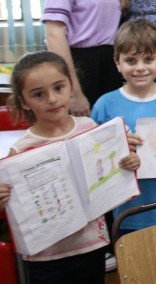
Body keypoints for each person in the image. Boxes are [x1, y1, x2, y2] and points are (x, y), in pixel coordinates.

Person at [0, 51, 140, 283]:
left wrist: (131, 164)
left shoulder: (90, 128)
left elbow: (112, 174)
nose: (52, 99)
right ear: (24, 101)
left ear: (71, 85)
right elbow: (15, 208)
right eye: (38, 94)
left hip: (91, 246)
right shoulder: (20, 151)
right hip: (45, 257)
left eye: (59, 87)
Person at [91, 20, 156, 233]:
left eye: (148, 59)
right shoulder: (105, 105)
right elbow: (94, 161)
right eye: (131, 60)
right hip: (131, 213)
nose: (140, 67)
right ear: (117, 63)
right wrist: (118, 148)